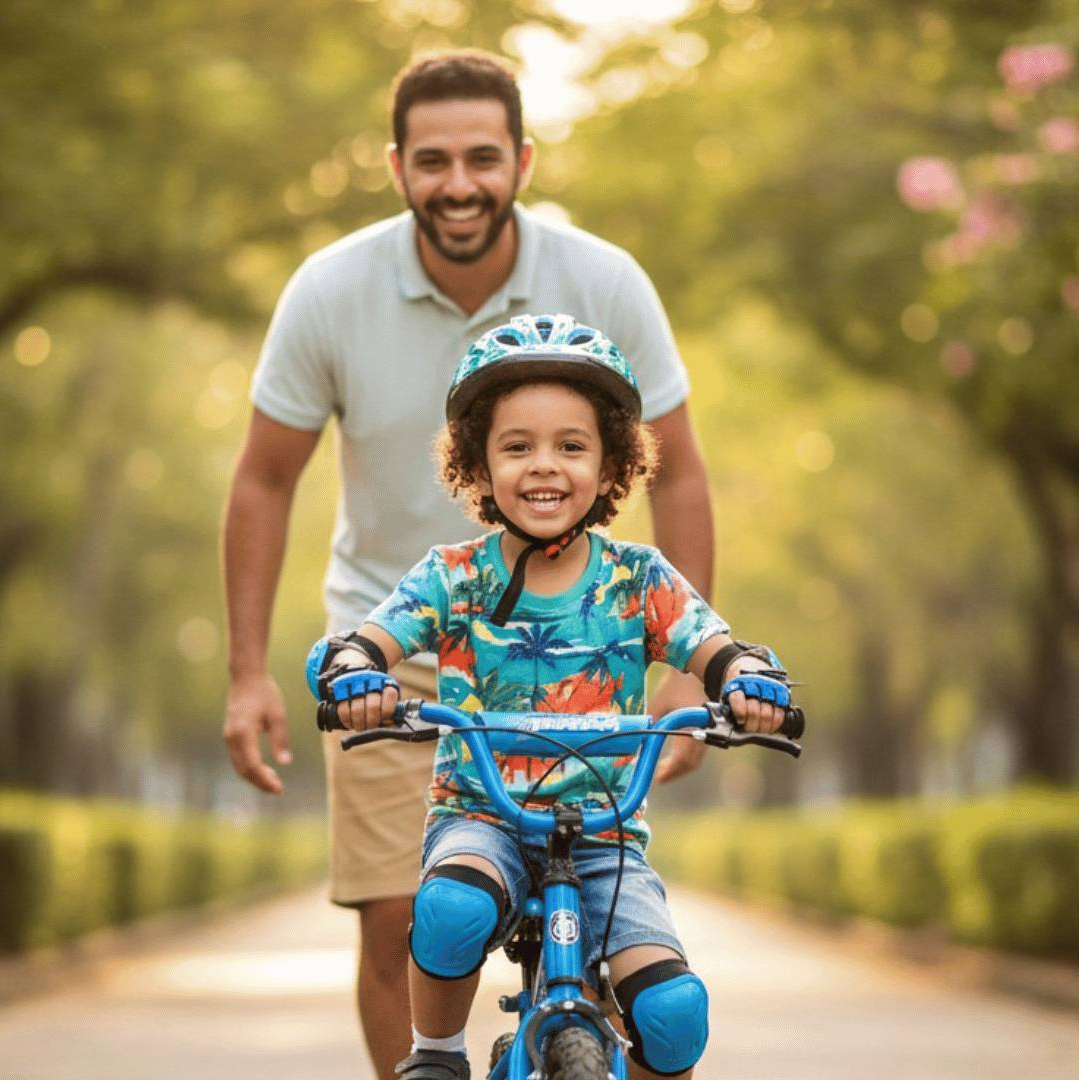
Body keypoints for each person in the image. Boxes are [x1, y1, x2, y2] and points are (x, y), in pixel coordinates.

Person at [220, 50, 716, 1077]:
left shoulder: (603, 280)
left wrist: (688, 667)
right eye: (434, 160)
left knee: (622, 924)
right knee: (408, 911)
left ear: (522, 161)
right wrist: (248, 672)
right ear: (397, 166)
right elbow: (265, 480)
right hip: (392, 650)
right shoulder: (331, 290)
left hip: (584, 642)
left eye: (483, 157)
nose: (459, 183)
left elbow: (681, 474)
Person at [309, 314, 796, 1080]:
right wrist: (354, 672)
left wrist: (745, 680)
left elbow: (715, 646)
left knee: (674, 1015)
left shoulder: (641, 579)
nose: (545, 466)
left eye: (572, 446)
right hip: (482, 817)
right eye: (517, 446)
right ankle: (434, 1057)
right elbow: (373, 640)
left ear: (612, 468)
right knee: (450, 909)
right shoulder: (452, 575)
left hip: (606, 839)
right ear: (478, 463)